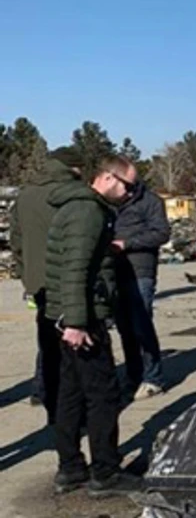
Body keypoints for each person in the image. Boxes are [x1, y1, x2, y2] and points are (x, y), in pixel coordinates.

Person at [45, 155, 142, 495]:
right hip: (83, 319)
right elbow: (75, 269)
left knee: (70, 393)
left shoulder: (75, 207)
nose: (131, 194)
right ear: (108, 178)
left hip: (68, 316)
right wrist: (76, 322)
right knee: (103, 396)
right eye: (129, 186)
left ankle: (70, 467)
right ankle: (105, 471)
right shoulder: (88, 212)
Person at [9, 147, 86, 424]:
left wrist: (26, 275)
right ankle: (74, 415)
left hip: (38, 284)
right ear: (74, 168)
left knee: (48, 347)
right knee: (77, 354)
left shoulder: (25, 195)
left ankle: (51, 405)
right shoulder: (72, 196)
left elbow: (15, 241)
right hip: (71, 283)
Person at [113, 172, 171, 400]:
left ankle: (153, 377)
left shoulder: (150, 202)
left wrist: (127, 244)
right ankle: (133, 375)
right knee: (124, 328)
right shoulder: (111, 203)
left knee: (141, 325)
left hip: (140, 271)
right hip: (116, 271)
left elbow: (162, 233)